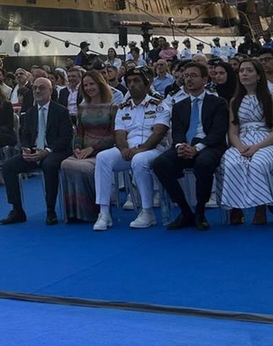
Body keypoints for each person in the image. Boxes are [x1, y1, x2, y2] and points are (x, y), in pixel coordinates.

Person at [152, 62, 229, 231]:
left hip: (209, 145)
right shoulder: (179, 106)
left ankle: (200, 211)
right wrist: (180, 145)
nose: (188, 79)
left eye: (193, 76)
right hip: (186, 144)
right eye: (186, 76)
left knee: (203, 164)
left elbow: (218, 132)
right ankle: (186, 211)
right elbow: (178, 131)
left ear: (204, 79)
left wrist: (197, 148)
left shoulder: (218, 103)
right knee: (159, 164)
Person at [92, 68, 169, 230]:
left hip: (154, 149)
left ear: (146, 84)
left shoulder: (159, 104)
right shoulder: (123, 108)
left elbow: (159, 132)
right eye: (129, 82)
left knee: (139, 160)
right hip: (128, 149)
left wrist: (140, 149)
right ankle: (104, 212)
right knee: (102, 158)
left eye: (136, 81)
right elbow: (119, 133)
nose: (132, 85)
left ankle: (147, 211)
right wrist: (124, 148)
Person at [219, 60, 273, 226]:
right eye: (241, 71)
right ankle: (236, 206)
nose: (244, 74)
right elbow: (233, 131)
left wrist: (257, 147)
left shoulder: (272, 99)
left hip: (268, 141)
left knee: (258, 162)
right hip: (242, 140)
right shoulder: (235, 101)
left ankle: (261, 207)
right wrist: (240, 146)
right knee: (231, 162)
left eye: (249, 70)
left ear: (258, 76)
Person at [0, 77, 73, 225]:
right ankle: (17, 210)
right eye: (35, 88)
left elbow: (65, 138)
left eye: (42, 88)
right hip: (33, 152)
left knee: (49, 165)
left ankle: (50, 210)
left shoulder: (61, 111)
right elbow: (25, 135)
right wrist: (25, 148)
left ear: (50, 91)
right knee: (8, 166)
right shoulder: (30, 113)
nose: (38, 90)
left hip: (55, 152)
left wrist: (47, 150)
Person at [60, 70, 117, 223]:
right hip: (84, 151)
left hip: (103, 150)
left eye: (92, 84)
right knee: (66, 164)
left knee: (83, 168)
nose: (89, 87)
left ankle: (95, 210)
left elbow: (113, 137)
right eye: (85, 85)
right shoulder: (82, 107)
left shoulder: (112, 107)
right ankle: (75, 213)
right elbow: (79, 132)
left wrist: (92, 149)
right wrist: (77, 147)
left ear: (100, 84)